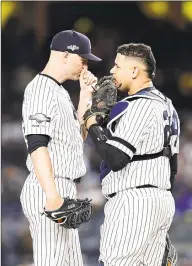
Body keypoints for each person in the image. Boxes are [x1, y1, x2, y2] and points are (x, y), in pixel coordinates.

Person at [81, 43, 180, 266]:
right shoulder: (168, 105)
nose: (112, 71)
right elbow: (173, 167)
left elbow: (116, 158)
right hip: (160, 199)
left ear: (135, 71)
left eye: (117, 66)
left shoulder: (138, 105)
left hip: (133, 202)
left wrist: (92, 124)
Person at [20, 29, 101, 266]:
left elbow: (77, 138)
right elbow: (37, 145)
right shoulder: (40, 89)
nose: (85, 66)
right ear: (65, 54)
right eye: (82, 59)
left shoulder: (59, 91)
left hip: (63, 187)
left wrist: (86, 95)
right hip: (47, 187)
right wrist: (52, 194)